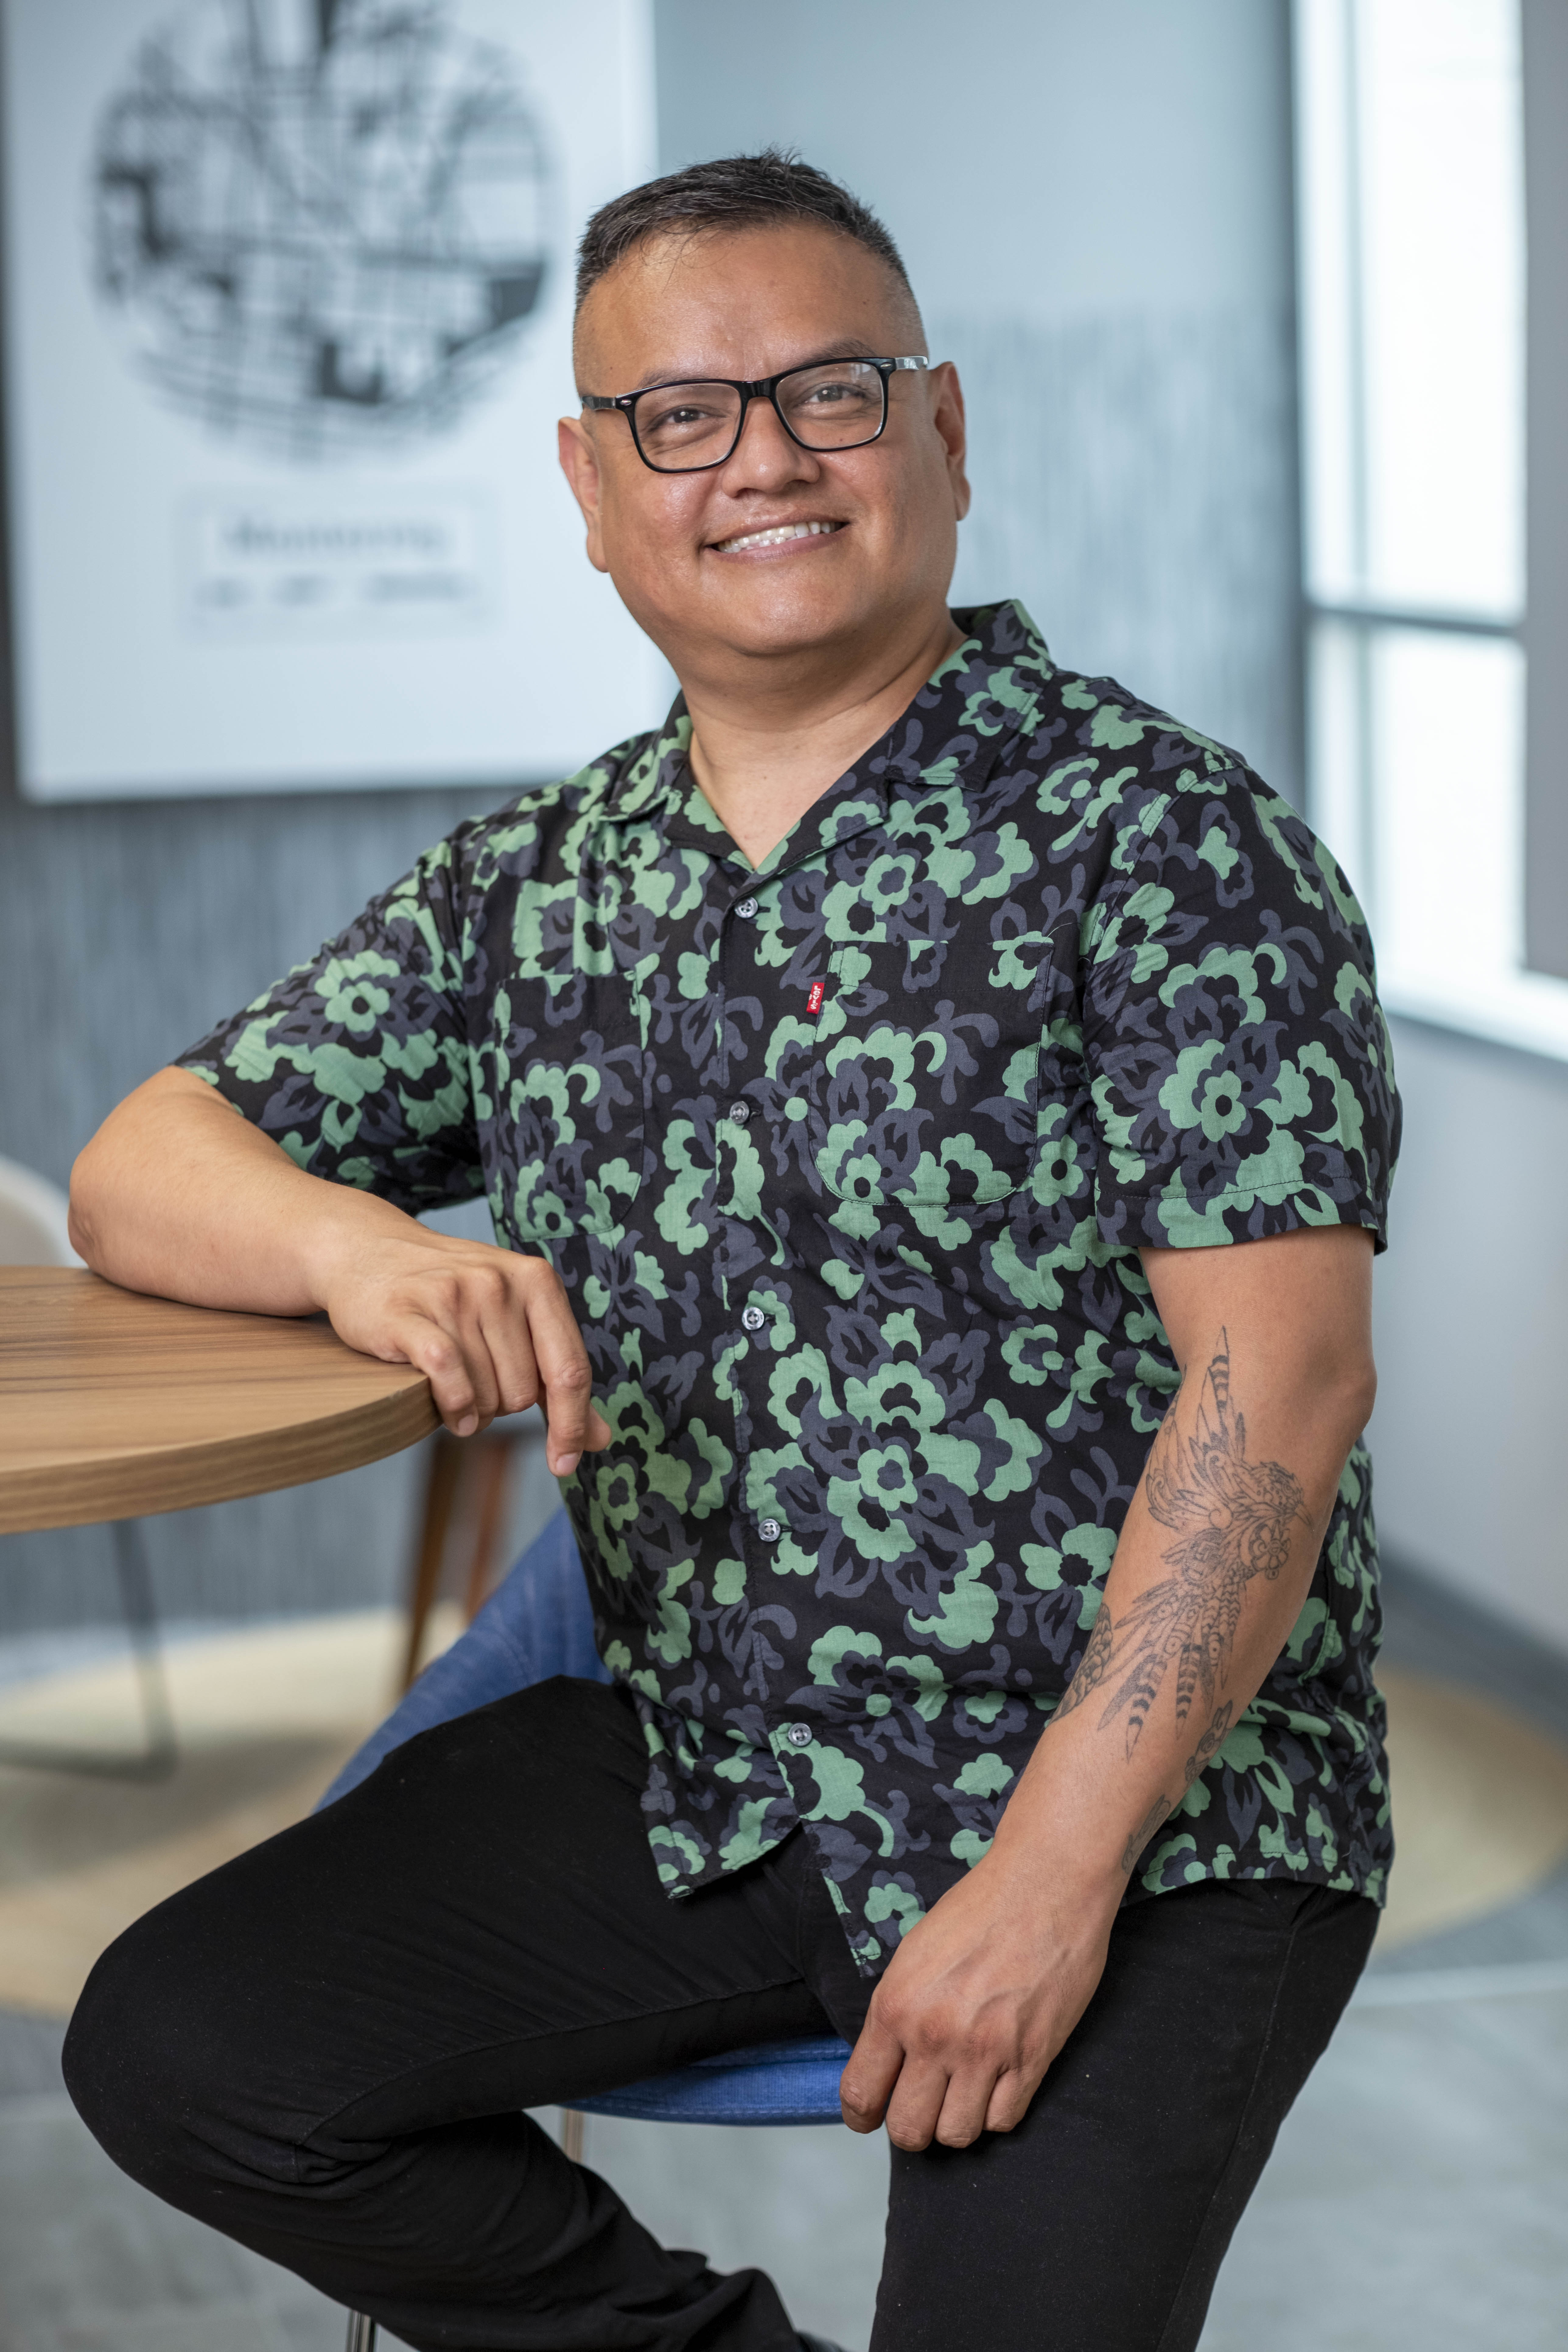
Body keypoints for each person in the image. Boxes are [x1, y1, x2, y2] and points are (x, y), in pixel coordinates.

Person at [62, 151, 1400, 2352]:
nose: (761, 460)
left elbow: (1287, 1388)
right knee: (187, 2049)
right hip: (711, 1760)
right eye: (680, 417)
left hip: (1155, 1803)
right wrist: (358, 1252)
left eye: (828, 393)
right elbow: (142, 1160)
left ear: (941, 429)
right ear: (593, 493)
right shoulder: (539, 882)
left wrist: (1048, 1883)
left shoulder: (1166, 840)